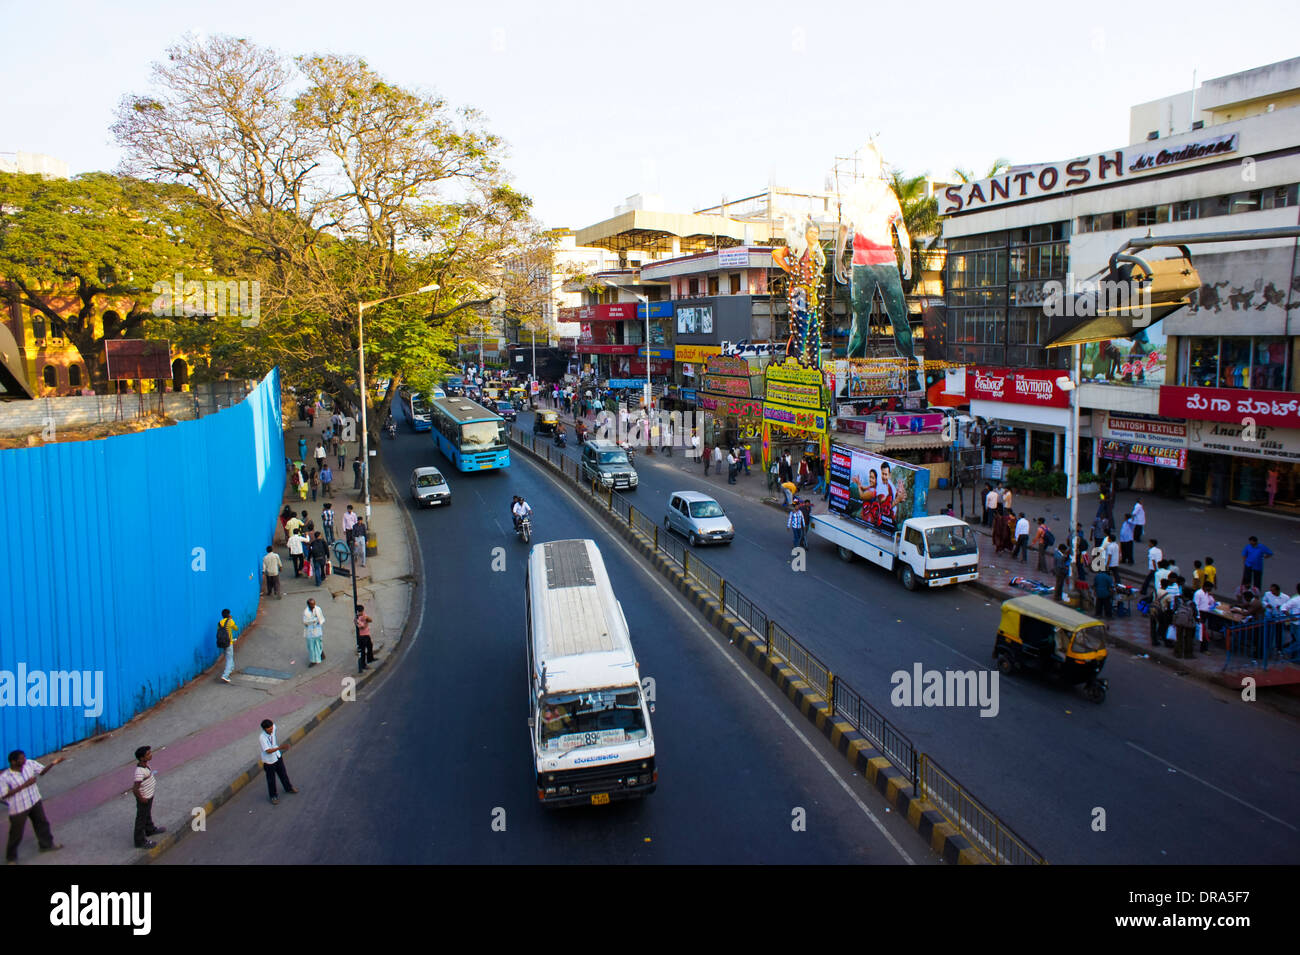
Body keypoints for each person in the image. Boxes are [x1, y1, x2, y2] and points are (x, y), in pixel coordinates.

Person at [2, 750, 66, 862]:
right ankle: (11, 858)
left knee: (42, 823)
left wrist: (54, 763)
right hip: (19, 807)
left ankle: (46, 845)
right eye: (21, 759)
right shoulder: (5, 778)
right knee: (16, 833)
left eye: (24, 757)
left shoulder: (29, 764)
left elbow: (41, 771)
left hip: (34, 800)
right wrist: (25, 785)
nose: (24, 760)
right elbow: (3, 795)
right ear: (13, 762)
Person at [131, 745, 166, 850]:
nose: (151, 755)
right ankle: (140, 841)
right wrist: (142, 799)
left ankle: (150, 829)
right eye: (148, 754)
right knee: (141, 819)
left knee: (147, 814)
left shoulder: (146, 766)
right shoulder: (139, 772)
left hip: (149, 795)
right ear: (142, 758)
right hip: (144, 798)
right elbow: (135, 789)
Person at [258, 720, 298, 805]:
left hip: (277, 757)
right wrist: (280, 748)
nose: (272, 730)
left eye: (272, 728)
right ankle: (273, 796)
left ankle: (288, 788)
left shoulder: (273, 728)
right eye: (270, 729)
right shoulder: (262, 738)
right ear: (265, 729)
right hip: (269, 762)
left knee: (283, 774)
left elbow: (273, 724)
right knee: (271, 780)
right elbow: (268, 751)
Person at [217, 608, 238, 684]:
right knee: (229, 658)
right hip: (229, 643)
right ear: (228, 614)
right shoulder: (230, 621)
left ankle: (231, 668)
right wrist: (231, 619)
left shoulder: (220, 623)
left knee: (228, 657)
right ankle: (225, 675)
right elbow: (236, 628)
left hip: (222, 643)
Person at [303, 598, 326, 666]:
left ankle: (321, 654)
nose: (313, 606)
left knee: (319, 644)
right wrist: (312, 621)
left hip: (318, 630)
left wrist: (318, 621)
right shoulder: (306, 612)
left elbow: (322, 619)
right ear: (308, 605)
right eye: (312, 604)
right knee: (311, 647)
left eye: (314, 604)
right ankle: (313, 661)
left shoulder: (318, 609)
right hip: (310, 632)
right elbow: (305, 622)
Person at [356, 604, 376, 672]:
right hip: (362, 636)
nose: (362, 612)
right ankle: (363, 665)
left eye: (362, 611)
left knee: (370, 646)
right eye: (360, 611)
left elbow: (370, 620)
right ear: (357, 612)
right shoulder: (356, 619)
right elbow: (362, 627)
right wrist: (362, 620)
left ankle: (370, 659)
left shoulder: (364, 615)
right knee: (363, 651)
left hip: (367, 634)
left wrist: (366, 618)